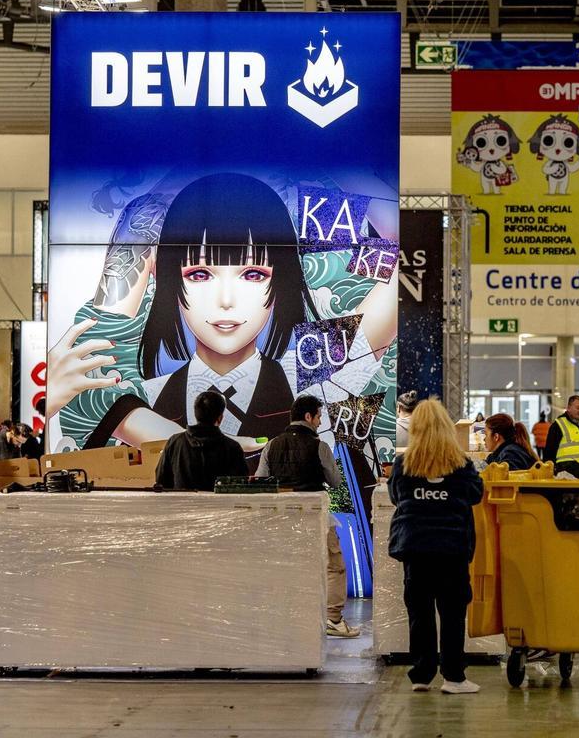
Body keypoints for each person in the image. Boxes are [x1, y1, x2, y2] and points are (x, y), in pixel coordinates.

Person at [50, 174, 398, 454]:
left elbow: (399, 252)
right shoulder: (146, 396)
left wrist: (332, 154)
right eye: (199, 274)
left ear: (281, 284)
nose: (226, 300)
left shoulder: (308, 374)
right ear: (168, 280)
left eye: (253, 275)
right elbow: (97, 366)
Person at [388, 399, 484, 695]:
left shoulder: (404, 463)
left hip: (415, 548)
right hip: (452, 548)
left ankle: (421, 673)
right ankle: (454, 677)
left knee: (420, 612)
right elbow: (475, 494)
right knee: (453, 612)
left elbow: (395, 497)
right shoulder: (461, 462)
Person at [256, 394, 359, 639]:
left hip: (281, 519)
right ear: (308, 416)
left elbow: (261, 481)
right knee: (333, 566)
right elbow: (334, 481)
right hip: (316, 517)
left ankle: (284, 617)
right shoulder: (320, 446)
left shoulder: (272, 445)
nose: (320, 423)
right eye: (319, 417)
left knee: (286, 566)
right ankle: (333, 619)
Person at [154, 390, 248, 491]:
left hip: (182, 506)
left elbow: (161, 481)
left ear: (195, 414)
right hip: (221, 506)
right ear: (220, 418)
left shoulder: (175, 442)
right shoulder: (233, 448)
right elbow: (241, 486)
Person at [542, 395, 579, 479]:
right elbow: (549, 452)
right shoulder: (558, 425)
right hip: (566, 475)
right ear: (568, 408)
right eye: (578, 408)